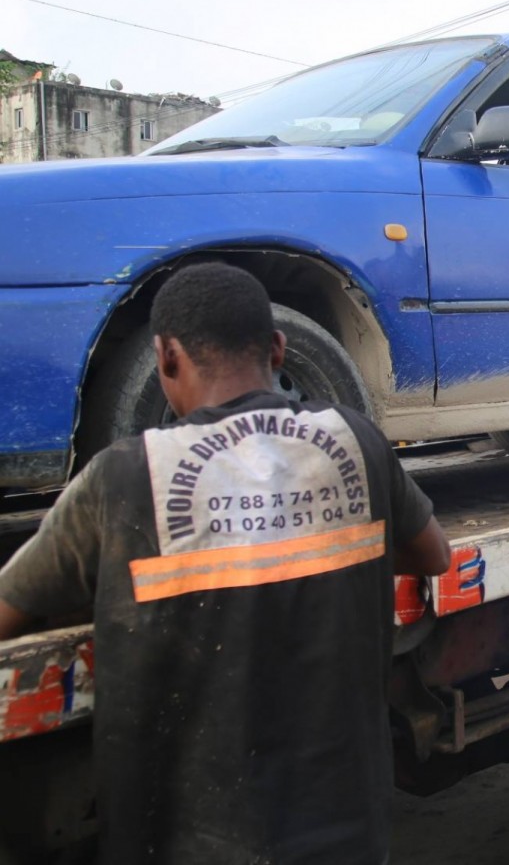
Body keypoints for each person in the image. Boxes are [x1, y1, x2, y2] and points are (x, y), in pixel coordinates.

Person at [0, 264, 452, 864]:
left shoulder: (125, 477)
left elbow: (11, 609)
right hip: (349, 836)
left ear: (165, 359)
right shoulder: (355, 442)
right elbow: (435, 555)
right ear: (277, 348)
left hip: (181, 843)